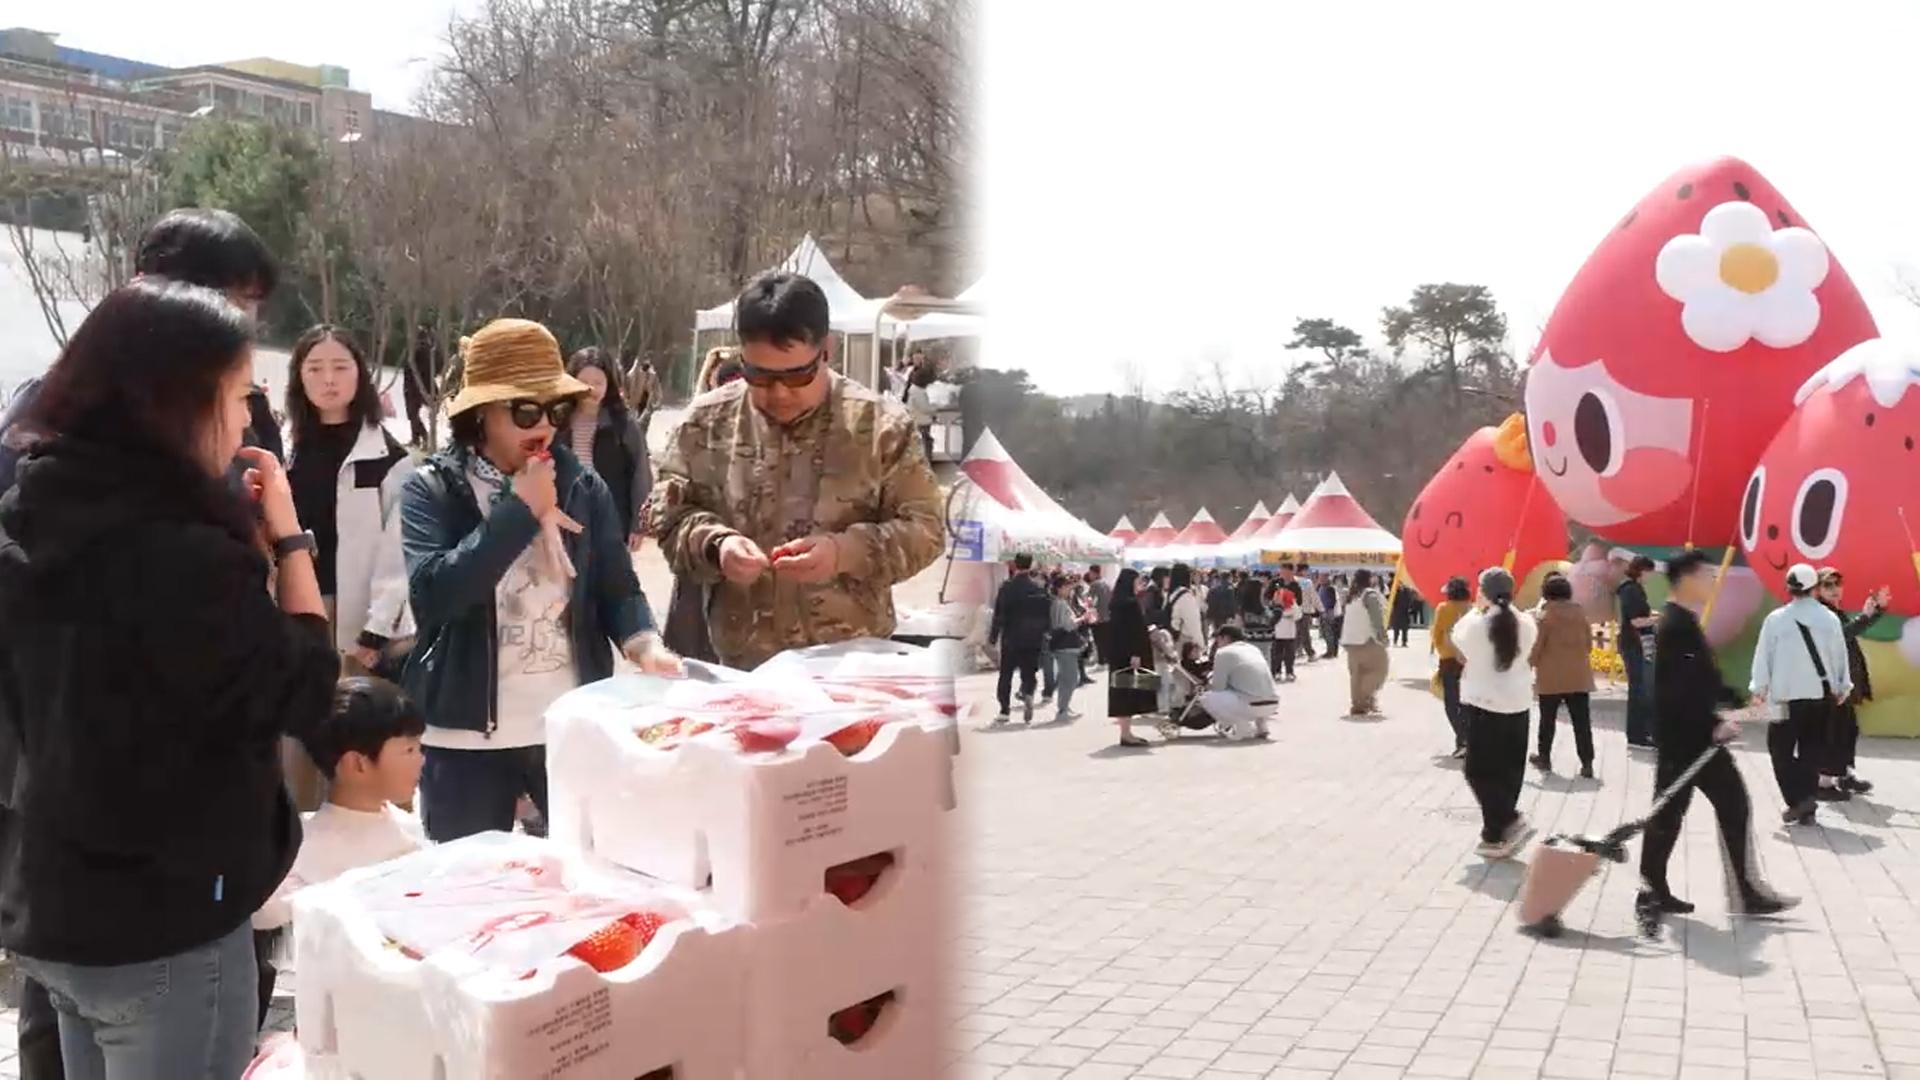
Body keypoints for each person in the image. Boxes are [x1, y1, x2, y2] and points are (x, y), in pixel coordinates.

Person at [0, 280, 339, 1076]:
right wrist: (290, 541)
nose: (247, 421)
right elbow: (303, 687)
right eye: (235, 396)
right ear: (172, 402)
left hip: (54, 904)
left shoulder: (34, 502)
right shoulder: (184, 555)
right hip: (166, 926)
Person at [400, 318, 680, 843]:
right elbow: (435, 596)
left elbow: (617, 589)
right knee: (468, 893)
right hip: (464, 736)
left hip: (567, 724)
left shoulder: (582, 484)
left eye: (556, 409)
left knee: (585, 879)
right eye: (525, 410)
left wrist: (645, 645)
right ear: (482, 415)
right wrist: (519, 510)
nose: (544, 425)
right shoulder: (432, 488)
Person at [650, 273, 945, 670]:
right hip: (741, 667)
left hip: (852, 666)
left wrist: (845, 552)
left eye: (796, 376)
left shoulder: (880, 427)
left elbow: (926, 530)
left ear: (827, 350)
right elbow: (669, 516)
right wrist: (715, 546)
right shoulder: (705, 423)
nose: (779, 393)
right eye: (759, 376)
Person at [283, 325, 417, 806]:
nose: (329, 380)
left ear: (361, 375)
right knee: (300, 738)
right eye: (315, 368)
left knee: (366, 740)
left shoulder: (389, 458)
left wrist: (377, 629)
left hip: (360, 620)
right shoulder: (283, 448)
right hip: (298, 611)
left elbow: (400, 549)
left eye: (341, 367)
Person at [251, 676, 427, 1030]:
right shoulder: (309, 845)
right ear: (357, 764)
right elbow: (262, 915)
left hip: (408, 1010)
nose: (421, 760)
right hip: (338, 1024)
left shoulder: (406, 826)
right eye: (409, 750)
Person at [1641, 551, 1793, 919]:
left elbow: (1700, 682)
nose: (1714, 581)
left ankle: (1737, 890)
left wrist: (1736, 699)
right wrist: (1715, 725)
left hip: (1694, 739)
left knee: (1703, 809)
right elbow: (1675, 692)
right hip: (1688, 741)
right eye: (1707, 575)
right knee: (1673, 814)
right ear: (1687, 578)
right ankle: (1656, 890)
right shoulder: (1675, 627)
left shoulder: (1683, 623)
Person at [1750, 562, 1851, 826]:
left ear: (1790, 588)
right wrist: (1842, 687)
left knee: (1779, 750)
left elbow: (1763, 657)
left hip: (1784, 697)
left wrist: (1758, 689)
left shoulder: (1776, 619)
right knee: (1812, 750)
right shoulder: (1829, 620)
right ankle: (1806, 803)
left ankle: (1798, 800)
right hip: (1819, 696)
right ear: (1815, 588)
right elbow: (1840, 656)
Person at [1453, 567, 1538, 859]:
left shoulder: (1475, 625)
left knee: (1477, 771)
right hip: (1519, 704)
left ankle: (1509, 821)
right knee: (1508, 772)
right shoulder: (1526, 622)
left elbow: (1458, 638)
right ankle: (1495, 834)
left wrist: (1478, 609)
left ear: (1484, 592)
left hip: (1485, 705)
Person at [566, 347, 652, 549]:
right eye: (584, 382)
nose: (591, 389)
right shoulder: (557, 419)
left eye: (598, 383)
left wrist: (638, 526)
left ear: (609, 384)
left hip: (610, 519)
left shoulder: (623, 424)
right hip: (567, 515)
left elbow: (640, 474)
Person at [1815, 568, 1886, 798]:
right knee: (1833, 732)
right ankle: (1823, 783)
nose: (1835, 589)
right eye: (1828, 585)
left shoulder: (1833, 611)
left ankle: (1844, 775)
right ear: (1816, 590)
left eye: (1837, 584)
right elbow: (1840, 636)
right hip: (1832, 686)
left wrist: (1877, 611)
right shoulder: (1820, 614)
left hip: (1843, 684)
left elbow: (1852, 630)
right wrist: (1866, 616)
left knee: (1848, 729)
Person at [1531, 572, 1596, 779]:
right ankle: (1587, 763)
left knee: (1547, 720)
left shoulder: (1545, 615)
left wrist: (1528, 666)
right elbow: (1588, 644)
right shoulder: (1580, 613)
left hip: (1550, 676)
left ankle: (1545, 758)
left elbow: (1537, 647)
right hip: (1579, 675)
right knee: (1582, 722)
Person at [988, 555, 1050, 724]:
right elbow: (1046, 613)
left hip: (1011, 637)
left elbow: (999, 614)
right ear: (1031, 566)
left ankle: (1004, 710)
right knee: (1029, 672)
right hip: (1033, 638)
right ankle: (1028, 693)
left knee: (1006, 674)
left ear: (1014, 565)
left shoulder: (1007, 588)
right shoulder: (1038, 588)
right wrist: (1045, 632)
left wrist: (993, 636)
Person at [1196, 624, 1278, 740]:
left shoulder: (1223, 652)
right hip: (1272, 703)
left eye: (1218, 640)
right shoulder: (1253, 649)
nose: (1216, 643)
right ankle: (1262, 726)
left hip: (1250, 705)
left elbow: (1218, 687)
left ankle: (1243, 726)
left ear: (1225, 638)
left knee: (1206, 698)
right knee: (1254, 688)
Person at [1107, 568, 1158, 748]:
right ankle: (1127, 734)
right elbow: (1134, 631)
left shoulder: (1116, 603)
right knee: (1129, 693)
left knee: (1122, 692)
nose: (1139, 584)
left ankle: (1125, 732)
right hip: (1131, 654)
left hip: (1118, 653)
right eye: (1137, 581)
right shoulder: (1130, 604)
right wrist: (1135, 653)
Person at [1616, 554, 1659, 748]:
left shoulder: (1633, 589)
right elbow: (1635, 620)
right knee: (1639, 689)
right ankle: (1637, 735)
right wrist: (1658, 619)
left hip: (1637, 642)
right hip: (1634, 643)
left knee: (1644, 687)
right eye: (1649, 572)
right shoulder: (1631, 590)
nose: (1651, 576)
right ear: (1642, 571)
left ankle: (1645, 731)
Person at [1340, 569, 1391, 716]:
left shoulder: (1351, 595)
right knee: (1379, 670)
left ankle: (1359, 704)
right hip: (1367, 639)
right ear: (1370, 579)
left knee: (1357, 674)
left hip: (1350, 640)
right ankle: (1366, 697)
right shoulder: (1369, 595)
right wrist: (1382, 636)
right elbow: (1376, 618)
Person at [1431, 576, 1472, 758]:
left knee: (1451, 703)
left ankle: (1463, 740)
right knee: (1466, 702)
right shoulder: (1472, 609)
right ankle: (1466, 740)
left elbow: (1438, 633)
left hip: (1450, 661)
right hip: (1470, 661)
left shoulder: (1443, 608)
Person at [1046, 573, 1093, 722]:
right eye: (1067, 587)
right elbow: (1067, 625)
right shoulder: (1060, 603)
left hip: (1064, 645)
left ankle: (1065, 706)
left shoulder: (1060, 602)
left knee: (1067, 677)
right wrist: (1082, 618)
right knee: (1070, 678)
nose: (1070, 590)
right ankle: (1062, 709)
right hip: (1065, 645)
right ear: (1059, 588)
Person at [906, 356, 938, 463]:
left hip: (917, 419)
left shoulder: (914, 389)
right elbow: (925, 408)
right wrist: (935, 408)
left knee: (922, 443)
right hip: (921, 421)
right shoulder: (918, 392)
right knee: (925, 444)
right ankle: (926, 463)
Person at [1086, 564, 1113, 668]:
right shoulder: (1106, 584)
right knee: (1106, 640)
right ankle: (1106, 660)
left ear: (1093, 573)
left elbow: (1090, 601)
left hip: (1098, 617)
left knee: (1099, 640)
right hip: (1107, 616)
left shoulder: (1094, 585)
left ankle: (1101, 661)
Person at [1389, 581, 1418, 647]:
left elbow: (1410, 600)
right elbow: (1392, 600)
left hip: (1404, 612)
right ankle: (1395, 641)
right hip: (1397, 612)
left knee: (1404, 628)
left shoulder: (1407, 591)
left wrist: (1410, 608)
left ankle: (1404, 641)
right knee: (1396, 628)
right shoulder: (1395, 591)